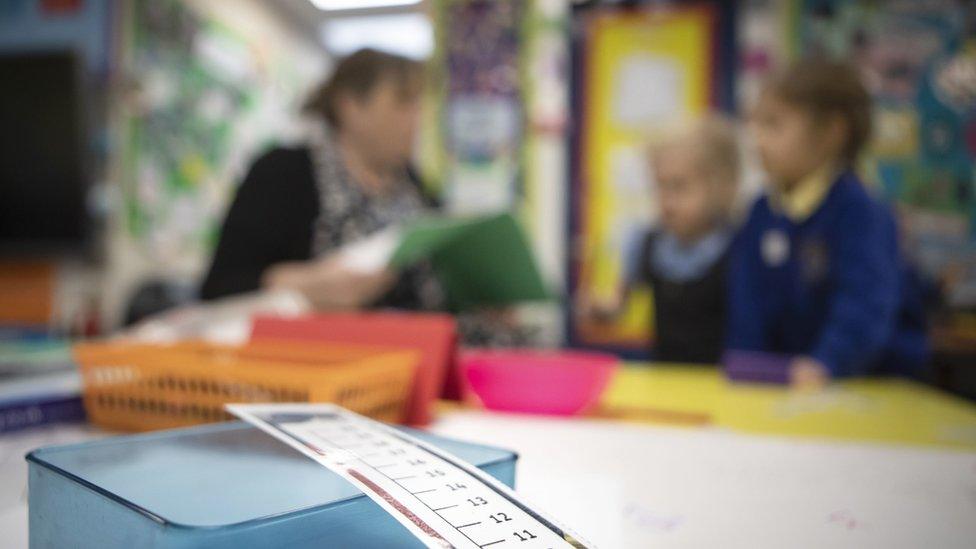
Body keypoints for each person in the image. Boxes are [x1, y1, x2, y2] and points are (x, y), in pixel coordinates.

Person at [728, 57, 928, 388]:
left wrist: (828, 362)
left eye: (773, 125)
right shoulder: (761, 211)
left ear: (832, 132)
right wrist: (747, 367)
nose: (757, 140)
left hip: (871, 386)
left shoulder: (861, 211)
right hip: (787, 389)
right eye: (755, 125)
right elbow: (746, 303)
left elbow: (865, 305)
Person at [200, 48, 443, 312]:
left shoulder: (416, 185)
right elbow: (220, 286)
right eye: (402, 103)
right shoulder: (283, 173)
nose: (415, 118)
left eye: (418, 104)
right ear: (350, 105)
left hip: (426, 341)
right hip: (320, 345)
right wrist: (305, 284)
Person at [580, 115, 740, 364]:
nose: (666, 202)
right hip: (664, 384)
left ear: (721, 186)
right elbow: (618, 306)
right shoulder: (646, 243)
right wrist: (600, 310)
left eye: (679, 187)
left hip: (721, 388)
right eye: (659, 186)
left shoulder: (738, 249)